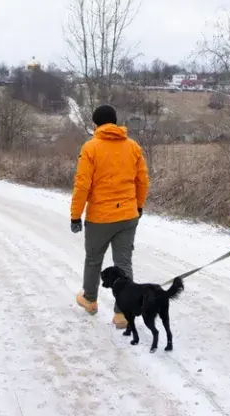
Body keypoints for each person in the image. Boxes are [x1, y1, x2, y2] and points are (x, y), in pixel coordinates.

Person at [71, 104, 149, 329]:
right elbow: (142, 180)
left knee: (94, 259)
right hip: (127, 214)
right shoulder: (132, 146)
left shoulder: (90, 148)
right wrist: (139, 205)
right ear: (115, 122)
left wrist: (76, 216)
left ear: (96, 124)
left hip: (99, 217)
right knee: (123, 262)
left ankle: (90, 299)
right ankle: (122, 313)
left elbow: (82, 184)